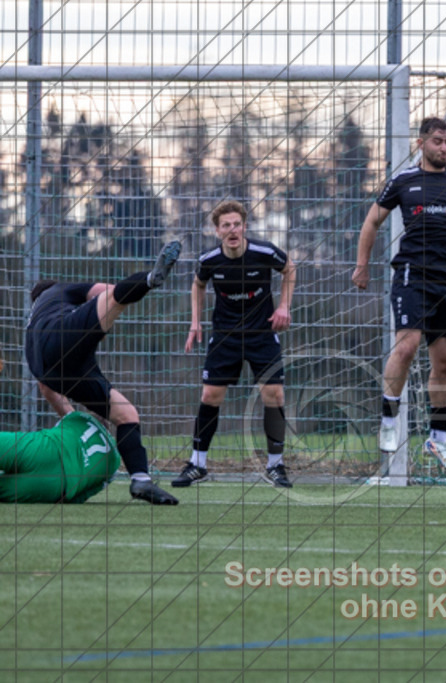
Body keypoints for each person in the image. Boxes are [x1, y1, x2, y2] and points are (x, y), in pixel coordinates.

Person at [351, 117, 446, 474]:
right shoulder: (403, 181)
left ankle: (438, 438)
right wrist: (362, 265)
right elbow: (372, 221)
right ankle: (389, 420)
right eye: (437, 141)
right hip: (411, 276)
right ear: (421, 144)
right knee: (406, 347)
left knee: (445, 362)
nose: (444, 148)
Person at [25, 240, 182, 504]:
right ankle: (150, 279)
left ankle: (141, 481)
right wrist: (110, 311)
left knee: (125, 413)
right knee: (112, 300)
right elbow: (107, 291)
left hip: (48, 369)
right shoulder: (60, 290)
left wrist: (74, 419)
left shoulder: (34, 321)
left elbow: (45, 387)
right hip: (61, 339)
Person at [178, 200, 296, 488]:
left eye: (237, 224)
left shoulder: (264, 252)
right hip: (225, 336)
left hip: (262, 333)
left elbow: (289, 269)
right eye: (226, 225)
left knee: (274, 395)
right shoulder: (209, 260)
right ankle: (197, 464)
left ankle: (275, 466)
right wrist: (195, 322)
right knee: (210, 395)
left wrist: (283, 306)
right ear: (217, 230)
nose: (232, 230)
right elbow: (198, 284)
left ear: (244, 227)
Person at [0, 410, 121, 504]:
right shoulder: (114, 464)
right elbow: (80, 496)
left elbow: (58, 427)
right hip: (57, 484)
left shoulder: (79, 416)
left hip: (45, 448)